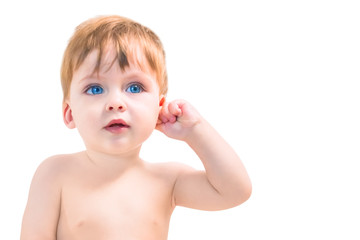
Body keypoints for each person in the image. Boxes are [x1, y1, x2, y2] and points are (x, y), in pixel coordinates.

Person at [20, 15, 252, 240]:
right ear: (70, 113)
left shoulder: (167, 180)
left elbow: (235, 191)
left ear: (158, 108)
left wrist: (196, 131)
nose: (115, 103)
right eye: (95, 89)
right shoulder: (55, 173)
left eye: (134, 88)